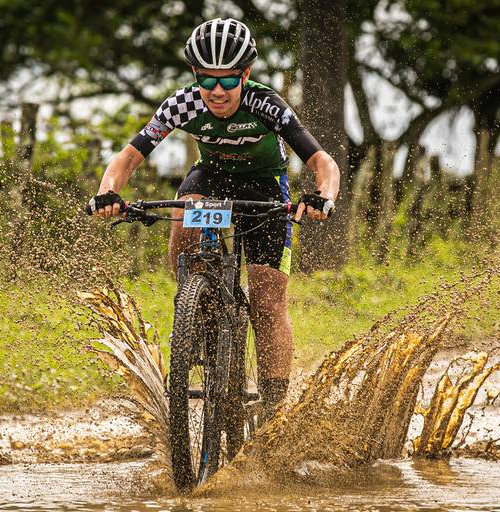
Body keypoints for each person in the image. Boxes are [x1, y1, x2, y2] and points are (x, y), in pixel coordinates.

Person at [89, 18, 340, 415]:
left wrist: (323, 196)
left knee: (267, 300)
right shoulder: (183, 103)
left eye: (227, 80)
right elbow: (129, 157)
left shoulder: (266, 104)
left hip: (264, 186)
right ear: (195, 74)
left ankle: (274, 407)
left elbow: (322, 162)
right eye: (207, 80)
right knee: (185, 214)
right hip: (212, 177)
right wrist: (108, 192)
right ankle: (198, 315)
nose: (217, 91)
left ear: (246, 75)